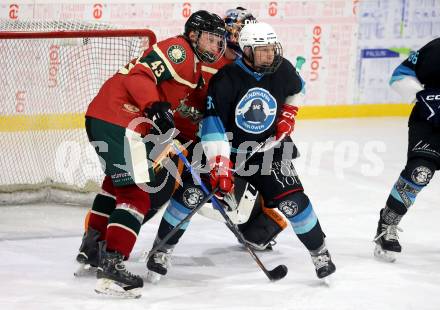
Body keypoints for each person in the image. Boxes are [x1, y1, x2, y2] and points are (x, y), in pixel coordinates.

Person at [147, 22, 336, 282]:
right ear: (246, 51)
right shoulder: (226, 79)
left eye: (272, 48)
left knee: (294, 202)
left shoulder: (282, 68)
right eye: (263, 50)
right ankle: (161, 250)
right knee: (190, 195)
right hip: (226, 148)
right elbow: (213, 125)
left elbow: (298, 89)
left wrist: (289, 114)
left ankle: (320, 252)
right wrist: (220, 165)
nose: (270, 55)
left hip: (267, 150)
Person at [76, 10, 226, 298]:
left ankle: (92, 248)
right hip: (120, 118)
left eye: (219, 41)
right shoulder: (179, 50)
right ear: (193, 35)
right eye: (210, 39)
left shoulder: (196, 68)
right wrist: (152, 105)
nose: (215, 47)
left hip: (111, 118)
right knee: (136, 195)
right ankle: (112, 266)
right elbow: (139, 76)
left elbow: (181, 114)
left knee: (115, 185)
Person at [373, 38, 440, 262]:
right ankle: (388, 223)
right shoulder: (435, 49)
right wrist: (421, 97)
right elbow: (400, 75)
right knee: (419, 172)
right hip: (430, 123)